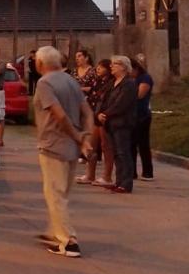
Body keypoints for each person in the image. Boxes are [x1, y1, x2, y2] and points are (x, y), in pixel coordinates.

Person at [32, 45, 94, 258]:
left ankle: (68, 241)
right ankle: (53, 232)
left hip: (53, 145)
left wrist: (79, 137)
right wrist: (86, 138)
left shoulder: (44, 83)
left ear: (40, 63)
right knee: (62, 193)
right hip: (71, 147)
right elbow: (87, 111)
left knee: (55, 195)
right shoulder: (71, 80)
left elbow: (59, 115)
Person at [99, 56, 137, 194]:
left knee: (123, 152)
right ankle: (119, 181)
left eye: (115, 64)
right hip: (110, 123)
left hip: (122, 123)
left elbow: (121, 104)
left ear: (124, 67)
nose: (112, 66)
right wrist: (100, 113)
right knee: (116, 153)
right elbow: (104, 99)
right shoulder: (113, 82)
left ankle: (126, 183)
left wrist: (106, 114)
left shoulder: (129, 84)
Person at [77, 59, 114, 187]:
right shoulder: (97, 81)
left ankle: (107, 176)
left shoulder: (111, 83)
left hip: (103, 116)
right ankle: (89, 174)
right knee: (91, 145)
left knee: (106, 146)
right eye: (97, 67)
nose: (98, 69)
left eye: (101, 67)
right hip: (93, 114)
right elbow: (92, 92)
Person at [131, 58, 154, 181]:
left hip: (142, 115)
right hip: (131, 115)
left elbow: (140, 95)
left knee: (143, 144)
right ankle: (132, 171)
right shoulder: (130, 79)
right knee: (131, 145)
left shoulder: (145, 78)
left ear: (136, 68)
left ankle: (147, 172)